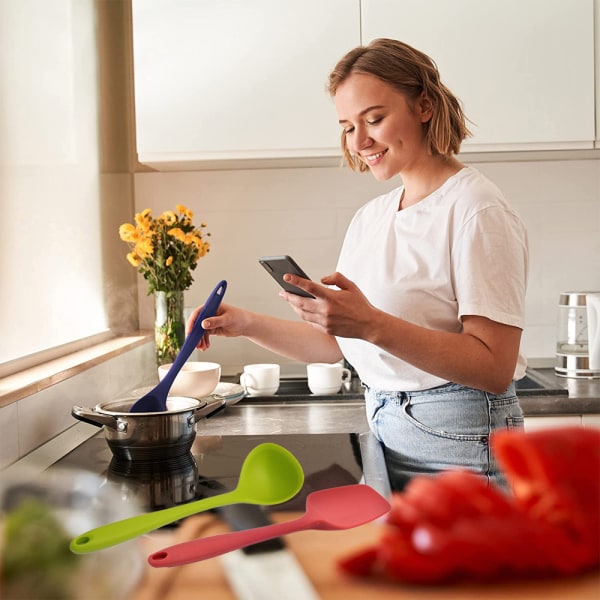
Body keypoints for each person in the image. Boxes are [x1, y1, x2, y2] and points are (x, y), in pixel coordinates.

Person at [189, 38, 529, 491]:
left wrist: (369, 323)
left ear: (424, 106)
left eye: (375, 119)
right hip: (389, 428)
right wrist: (245, 323)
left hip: (461, 436)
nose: (360, 140)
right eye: (348, 126)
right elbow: (337, 346)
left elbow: (493, 366)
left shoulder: (475, 209)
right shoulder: (372, 217)